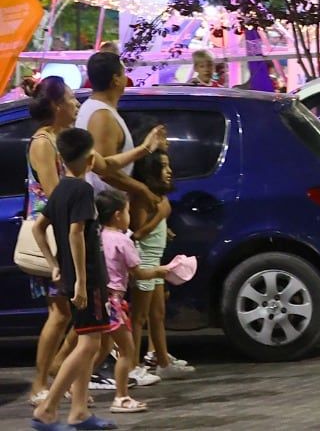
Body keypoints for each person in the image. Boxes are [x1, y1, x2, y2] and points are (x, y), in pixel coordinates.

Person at [31, 127, 111, 431]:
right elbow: (76, 233)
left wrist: (54, 265)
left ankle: (79, 411)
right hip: (87, 279)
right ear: (90, 159)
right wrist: (79, 281)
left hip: (73, 276)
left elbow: (40, 228)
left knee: (87, 340)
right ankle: (47, 408)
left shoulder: (61, 189)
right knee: (89, 345)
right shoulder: (82, 190)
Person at [95, 189, 173, 414]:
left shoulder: (97, 236)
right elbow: (139, 273)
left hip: (98, 299)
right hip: (115, 302)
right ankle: (121, 397)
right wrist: (162, 271)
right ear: (119, 215)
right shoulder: (122, 241)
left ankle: (75, 385)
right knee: (127, 351)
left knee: (101, 348)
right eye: (128, 211)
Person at [25, 78, 77, 406]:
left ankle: (57, 374)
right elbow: (54, 195)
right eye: (71, 98)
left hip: (67, 233)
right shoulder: (43, 142)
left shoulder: (59, 139)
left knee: (72, 312)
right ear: (57, 106)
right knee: (59, 313)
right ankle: (39, 384)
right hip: (54, 238)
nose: (76, 103)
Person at [76, 50, 165, 203]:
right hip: (106, 209)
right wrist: (143, 190)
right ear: (115, 79)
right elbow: (105, 171)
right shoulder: (102, 116)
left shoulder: (96, 109)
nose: (126, 78)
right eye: (123, 73)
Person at [129, 149, 187, 380]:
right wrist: (160, 217)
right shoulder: (142, 198)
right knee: (139, 317)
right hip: (144, 262)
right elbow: (137, 234)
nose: (169, 171)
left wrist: (165, 227)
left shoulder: (158, 197)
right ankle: (132, 366)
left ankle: (162, 361)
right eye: (163, 167)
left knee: (158, 314)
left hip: (156, 261)